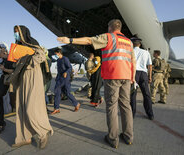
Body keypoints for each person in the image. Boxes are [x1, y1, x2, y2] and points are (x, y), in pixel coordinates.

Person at [57, 19, 136, 148]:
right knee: (126, 106)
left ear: (110, 27)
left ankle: (113, 138)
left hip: (112, 76)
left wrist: (70, 40)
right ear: (120, 28)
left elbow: (89, 40)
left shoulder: (109, 37)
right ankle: (128, 136)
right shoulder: (128, 41)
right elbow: (133, 60)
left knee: (111, 106)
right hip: (126, 77)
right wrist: (132, 77)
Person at [12, 25, 53, 149]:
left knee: (31, 108)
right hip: (22, 79)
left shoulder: (32, 43)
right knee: (21, 109)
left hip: (33, 77)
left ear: (23, 33)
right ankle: (24, 137)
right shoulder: (17, 47)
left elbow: (41, 57)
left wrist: (27, 61)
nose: (16, 35)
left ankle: (43, 132)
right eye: (14, 33)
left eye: (17, 32)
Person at [129, 37, 154, 120]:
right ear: (140, 44)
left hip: (134, 74)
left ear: (132, 44)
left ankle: (132, 114)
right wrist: (149, 77)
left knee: (133, 95)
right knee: (146, 94)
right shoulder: (146, 52)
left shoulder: (129, 52)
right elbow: (150, 65)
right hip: (143, 74)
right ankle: (150, 114)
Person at [50, 49, 81, 115]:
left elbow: (69, 67)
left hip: (65, 78)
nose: (55, 55)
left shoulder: (65, 59)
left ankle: (76, 104)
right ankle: (56, 108)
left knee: (67, 93)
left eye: (56, 54)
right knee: (57, 92)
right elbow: (59, 70)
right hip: (59, 79)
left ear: (59, 53)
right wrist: (57, 77)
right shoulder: (58, 60)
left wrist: (66, 72)